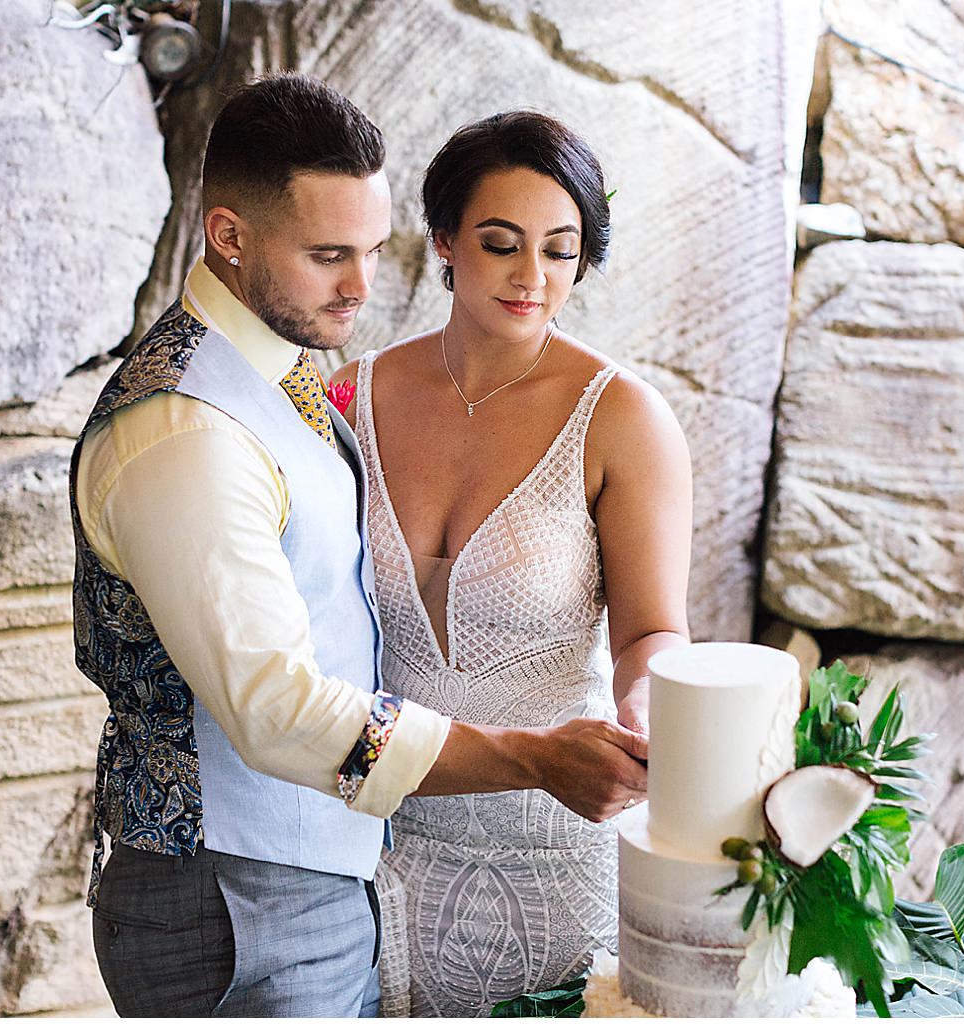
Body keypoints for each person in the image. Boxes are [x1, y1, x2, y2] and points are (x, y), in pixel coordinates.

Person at [70, 76, 650, 1019]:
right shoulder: (187, 431)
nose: (361, 287)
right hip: (233, 897)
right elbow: (274, 710)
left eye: (374, 251)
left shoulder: (282, 374)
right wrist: (535, 759)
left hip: (334, 881)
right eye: (328, 255)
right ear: (227, 236)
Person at [331, 111, 693, 1016]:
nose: (533, 277)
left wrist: (646, 708)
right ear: (447, 241)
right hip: (379, 851)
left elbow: (651, 630)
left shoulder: (624, 417)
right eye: (502, 244)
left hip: (560, 843)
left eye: (562, 252)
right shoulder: (349, 396)